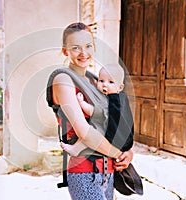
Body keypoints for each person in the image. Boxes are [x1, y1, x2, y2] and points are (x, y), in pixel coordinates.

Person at [47, 22, 133, 200]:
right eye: (75, 48)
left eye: (88, 46)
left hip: (107, 171)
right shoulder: (63, 80)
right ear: (65, 51)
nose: (83, 53)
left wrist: (127, 152)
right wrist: (117, 154)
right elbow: (84, 132)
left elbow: (116, 117)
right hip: (84, 171)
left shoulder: (97, 81)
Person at [61, 64, 134, 157]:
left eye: (111, 82)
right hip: (125, 139)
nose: (105, 84)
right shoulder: (122, 97)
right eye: (101, 81)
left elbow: (95, 112)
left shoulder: (111, 100)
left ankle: (76, 148)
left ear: (120, 87)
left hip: (115, 137)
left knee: (92, 129)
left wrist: (82, 103)